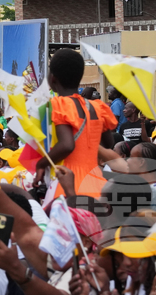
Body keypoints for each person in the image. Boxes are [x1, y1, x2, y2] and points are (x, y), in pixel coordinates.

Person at [37, 49, 118, 197]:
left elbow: (67, 145)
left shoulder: (60, 104)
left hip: (70, 182)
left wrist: (41, 164)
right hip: (96, 180)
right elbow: (108, 142)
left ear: (52, 78)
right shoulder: (97, 107)